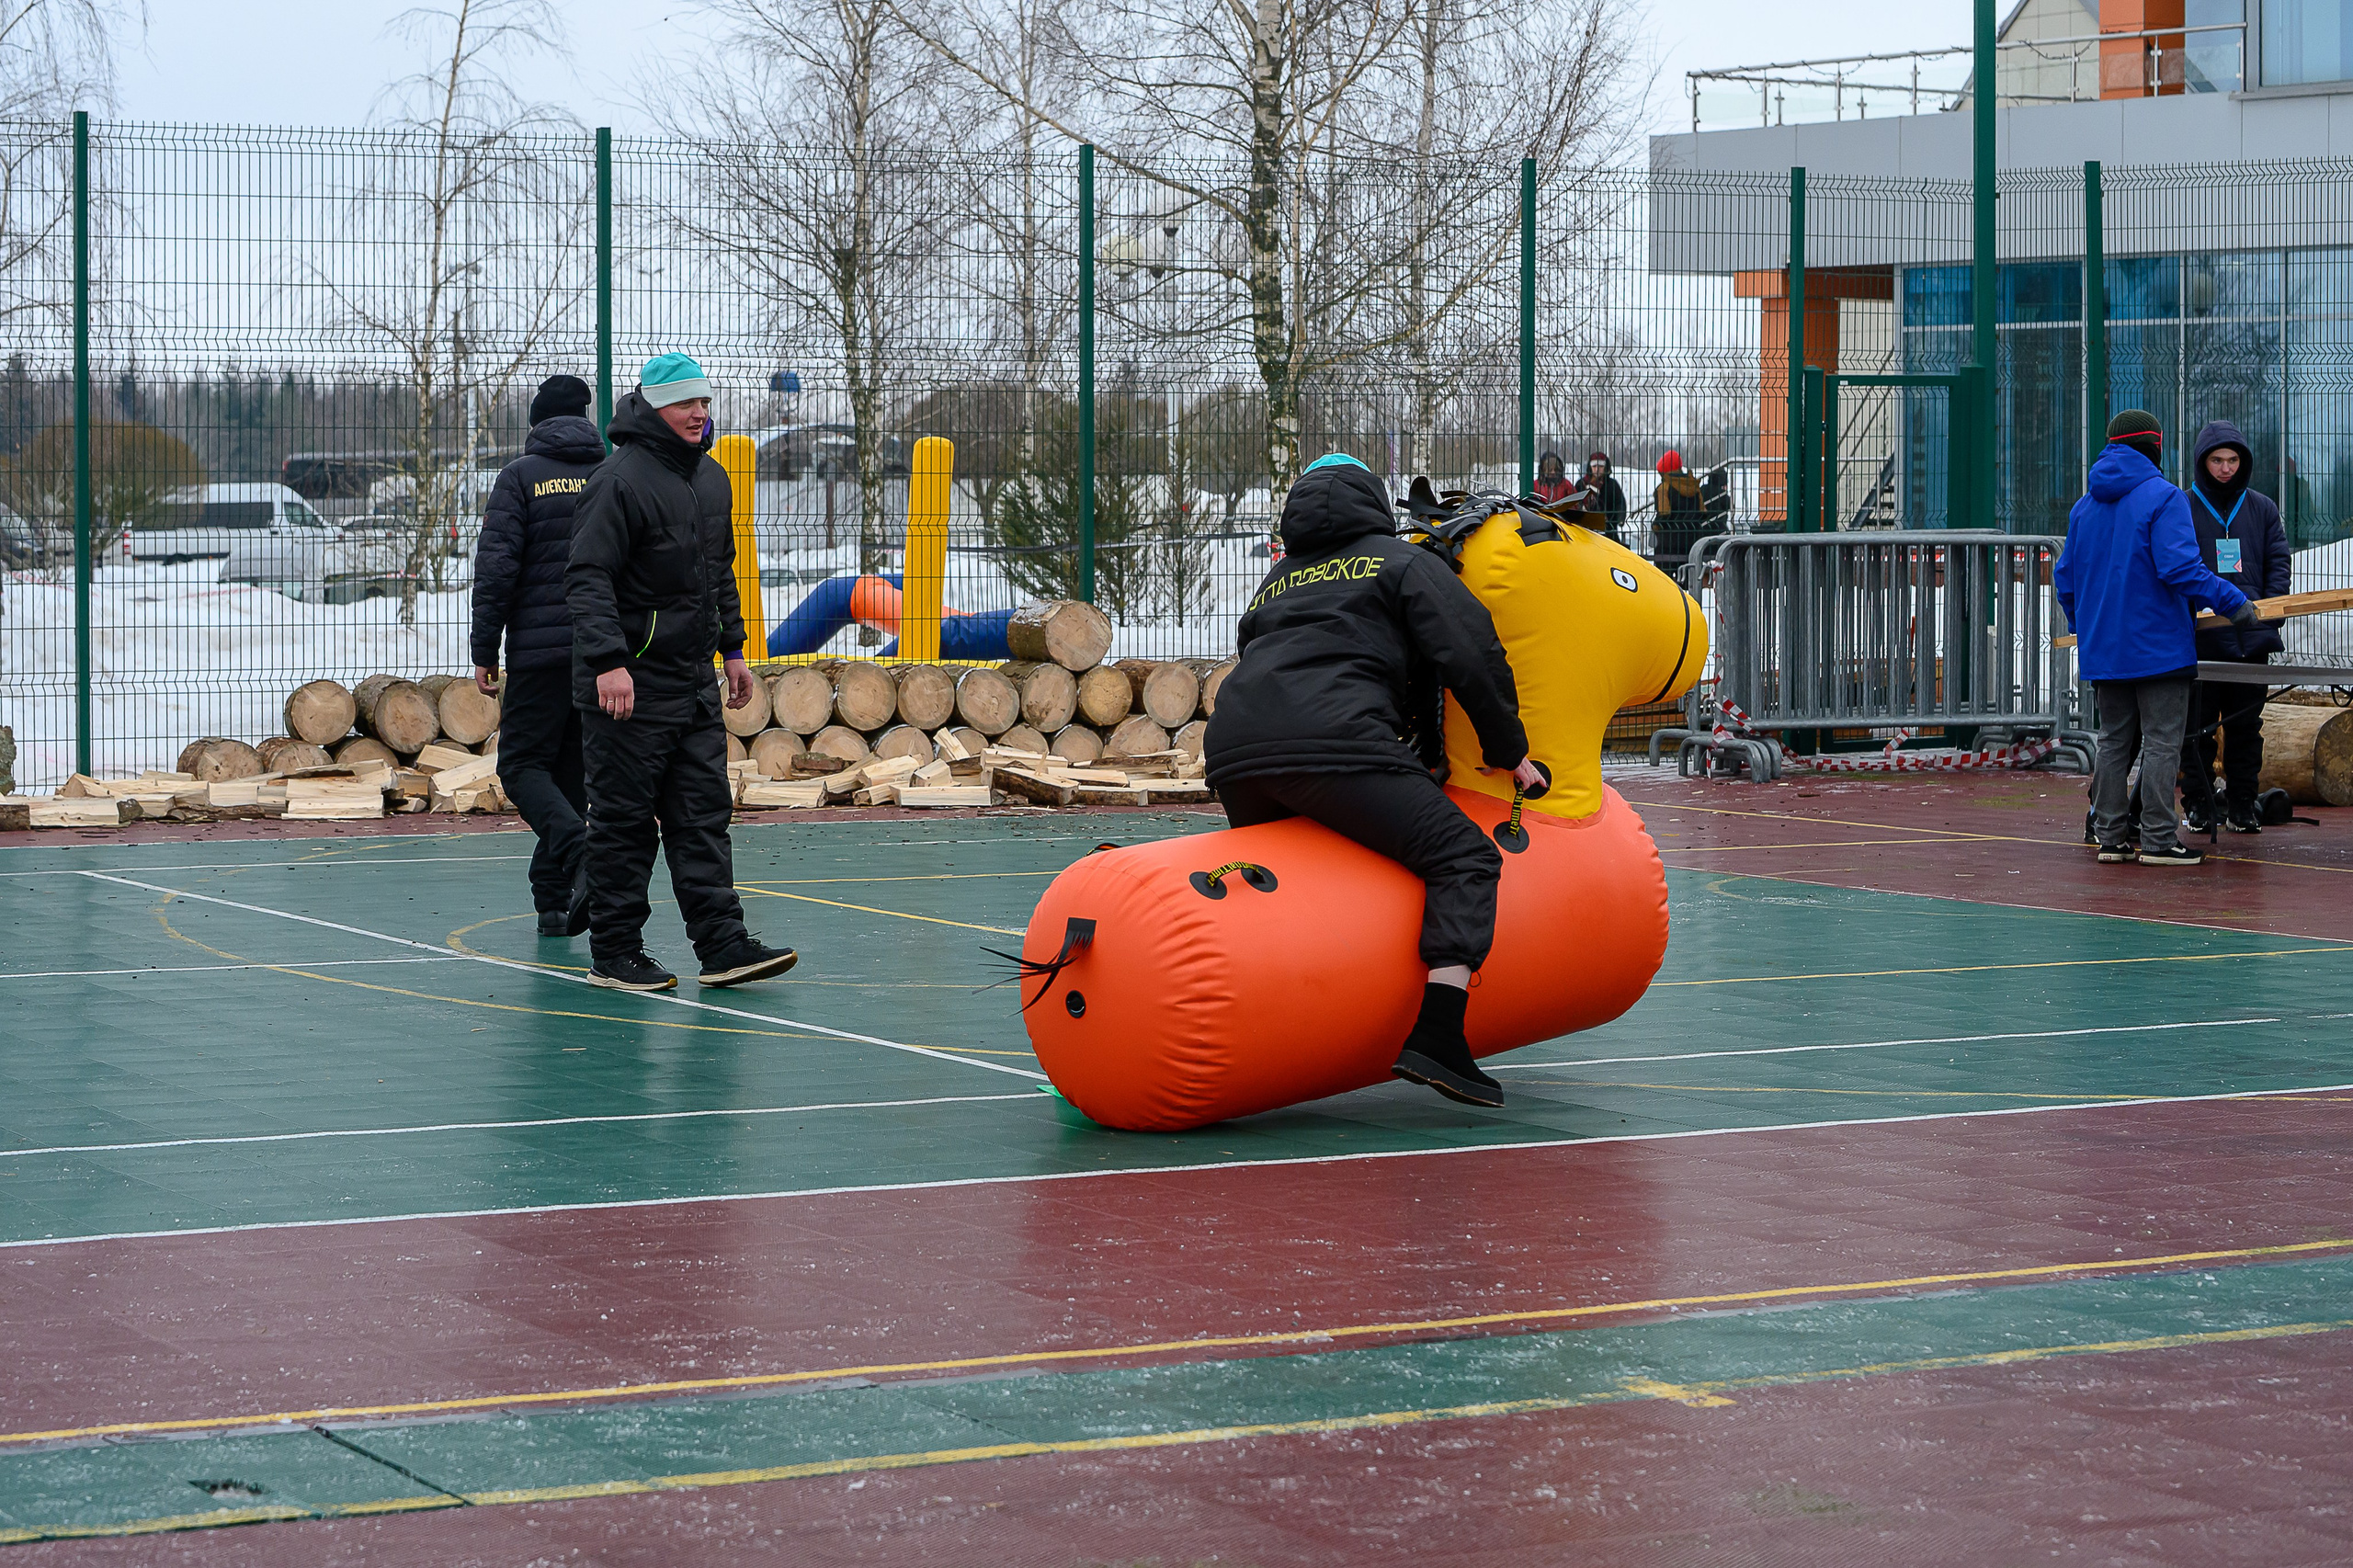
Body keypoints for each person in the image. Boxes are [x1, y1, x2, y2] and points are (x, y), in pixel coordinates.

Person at [1204, 453, 1545, 1109]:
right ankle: (1440, 1034)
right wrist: (1511, 751)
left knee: (1301, 885)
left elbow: (1260, 655)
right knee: (1464, 856)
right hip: (1336, 744)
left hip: (1237, 753)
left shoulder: (1274, 581)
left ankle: (1277, 1031)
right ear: (1375, 505)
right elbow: (1471, 650)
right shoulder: (1400, 562)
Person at [565, 352, 798, 992]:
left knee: (702, 817)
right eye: (684, 404)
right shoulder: (618, 481)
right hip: (629, 690)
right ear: (653, 408)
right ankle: (616, 952)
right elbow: (588, 578)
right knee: (624, 823)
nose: (699, 413)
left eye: (704, 402)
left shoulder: (712, 479)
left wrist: (733, 649)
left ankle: (723, 945)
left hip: (693, 682)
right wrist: (610, 662)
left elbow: (716, 572)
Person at [2054, 410, 2260, 869]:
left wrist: (2087, 624)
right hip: (2158, 647)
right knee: (2164, 743)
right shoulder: (2164, 498)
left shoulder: (2085, 507)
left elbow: (2065, 579)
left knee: (2113, 742)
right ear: (2155, 447)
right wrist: (2234, 604)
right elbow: (2181, 568)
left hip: (2104, 650)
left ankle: (2109, 836)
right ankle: (2160, 839)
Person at [471, 374, 603, 937]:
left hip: (539, 653)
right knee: (570, 775)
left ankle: (582, 853)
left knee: (522, 765)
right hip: (603, 653)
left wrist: (485, 648)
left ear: (536, 423)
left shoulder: (520, 478)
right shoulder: (608, 475)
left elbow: (497, 568)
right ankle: (554, 902)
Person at [2177, 421, 2290, 834]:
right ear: (2202, 462)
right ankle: (2199, 804)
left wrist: (2267, 610)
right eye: (2217, 460)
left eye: (2233, 460)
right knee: (2197, 730)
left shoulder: (2262, 508)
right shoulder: (2183, 507)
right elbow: (2179, 568)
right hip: (2202, 641)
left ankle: (2243, 804)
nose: (2225, 468)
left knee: (2246, 728)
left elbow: (2278, 562)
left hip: (2250, 641)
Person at [1651, 449, 1709, 565]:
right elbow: (1703, 512)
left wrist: (1655, 526)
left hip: (1668, 542)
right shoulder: (1694, 486)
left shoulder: (1664, 488)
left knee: (1664, 577)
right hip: (1692, 540)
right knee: (1690, 577)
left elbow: (1664, 514)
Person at [1585, 451, 1628, 540]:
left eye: (1600, 466)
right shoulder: (1582, 484)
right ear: (1590, 467)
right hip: (1586, 530)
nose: (1597, 469)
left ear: (1605, 467)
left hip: (1609, 529)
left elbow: (1620, 502)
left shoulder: (1612, 484)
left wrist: (1620, 518)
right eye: (1594, 466)